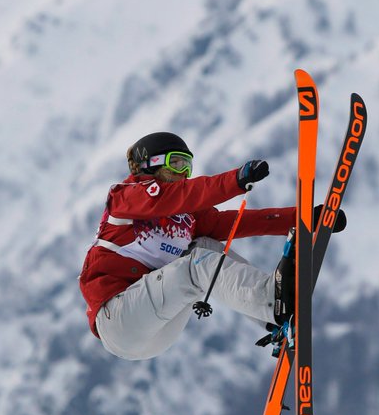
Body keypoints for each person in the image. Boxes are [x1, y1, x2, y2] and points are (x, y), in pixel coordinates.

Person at [79, 131, 345, 361]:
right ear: (152, 164)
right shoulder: (127, 196)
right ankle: (272, 302)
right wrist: (235, 181)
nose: (184, 173)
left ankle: (272, 318)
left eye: (189, 166)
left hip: (157, 328)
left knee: (205, 246)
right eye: (178, 163)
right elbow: (185, 194)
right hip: (119, 319)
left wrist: (307, 219)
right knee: (196, 266)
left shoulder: (186, 217)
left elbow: (236, 224)